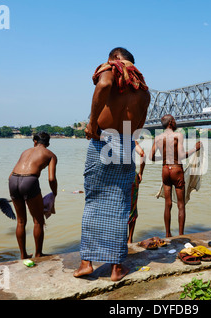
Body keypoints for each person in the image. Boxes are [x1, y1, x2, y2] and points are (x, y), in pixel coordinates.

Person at [74, 47, 150, 282]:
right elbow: (139, 125)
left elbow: (104, 85)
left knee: (93, 202)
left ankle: (87, 263)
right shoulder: (144, 91)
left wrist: (91, 123)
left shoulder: (112, 70)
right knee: (120, 206)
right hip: (126, 143)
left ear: (115, 59)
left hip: (102, 140)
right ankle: (116, 268)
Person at [149, 114, 201, 237]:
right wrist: (195, 149)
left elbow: (151, 157)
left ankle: (168, 235)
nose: (177, 122)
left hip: (165, 169)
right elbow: (182, 156)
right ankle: (181, 235)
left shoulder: (158, 138)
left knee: (167, 204)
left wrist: (164, 157)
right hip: (177, 169)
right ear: (171, 122)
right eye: (175, 120)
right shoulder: (178, 135)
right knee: (181, 205)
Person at [9, 132, 58, 259]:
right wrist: (54, 193)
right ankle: (38, 253)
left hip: (13, 180)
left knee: (20, 221)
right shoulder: (51, 155)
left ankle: (23, 255)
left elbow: (11, 174)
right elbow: (51, 179)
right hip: (30, 181)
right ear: (48, 144)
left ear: (35, 141)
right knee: (38, 221)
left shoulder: (25, 151)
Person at [128, 141, 146, 244]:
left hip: (117, 179)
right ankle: (130, 240)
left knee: (118, 209)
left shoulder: (113, 139)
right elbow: (142, 154)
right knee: (132, 209)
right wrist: (140, 173)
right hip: (132, 177)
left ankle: (120, 239)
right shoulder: (132, 140)